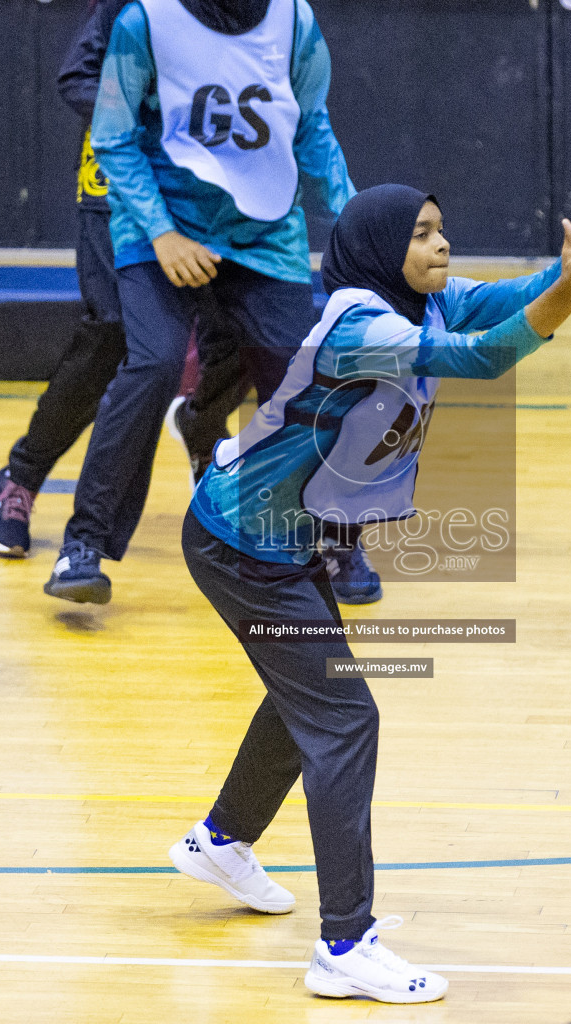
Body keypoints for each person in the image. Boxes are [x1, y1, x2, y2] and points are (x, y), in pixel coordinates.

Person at [164, 163, 571, 1003]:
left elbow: (542, 285)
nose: (441, 242)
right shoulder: (356, 326)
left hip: (285, 537)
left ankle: (222, 841)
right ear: (378, 247)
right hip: (243, 544)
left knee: (304, 697)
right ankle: (344, 947)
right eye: (419, 232)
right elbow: (484, 358)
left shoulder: (430, 298)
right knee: (346, 719)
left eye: (442, 228)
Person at [44, 0, 371, 607]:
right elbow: (113, 139)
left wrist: (356, 218)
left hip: (262, 231)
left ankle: (332, 537)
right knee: (154, 364)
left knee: (305, 377)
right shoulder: (143, 22)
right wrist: (163, 233)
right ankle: (83, 542)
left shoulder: (294, 21)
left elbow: (312, 127)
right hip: (159, 227)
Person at [0, 0, 130, 559]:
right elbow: (77, 77)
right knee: (112, 331)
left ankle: (206, 430)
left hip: (211, 193)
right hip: (116, 186)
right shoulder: (124, 9)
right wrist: (147, 122)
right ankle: (19, 479)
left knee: (242, 329)